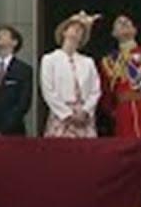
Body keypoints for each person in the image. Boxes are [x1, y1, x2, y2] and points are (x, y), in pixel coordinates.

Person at [40, 10, 102, 138]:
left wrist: (86, 111)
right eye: (73, 27)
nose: (77, 31)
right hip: (61, 115)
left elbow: (95, 90)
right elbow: (48, 90)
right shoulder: (50, 59)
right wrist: (67, 114)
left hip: (84, 116)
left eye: (81, 30)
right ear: (64, 32)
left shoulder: (88, 62)